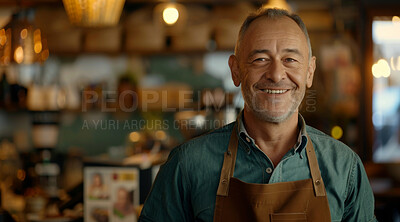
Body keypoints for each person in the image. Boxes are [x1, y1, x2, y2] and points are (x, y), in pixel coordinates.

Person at [139, 8, 377, 222]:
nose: (275, 74)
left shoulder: (345, 167)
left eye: (290, 60)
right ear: (235, 70)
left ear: (310, 72)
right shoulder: (187, 164)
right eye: (260, 59)